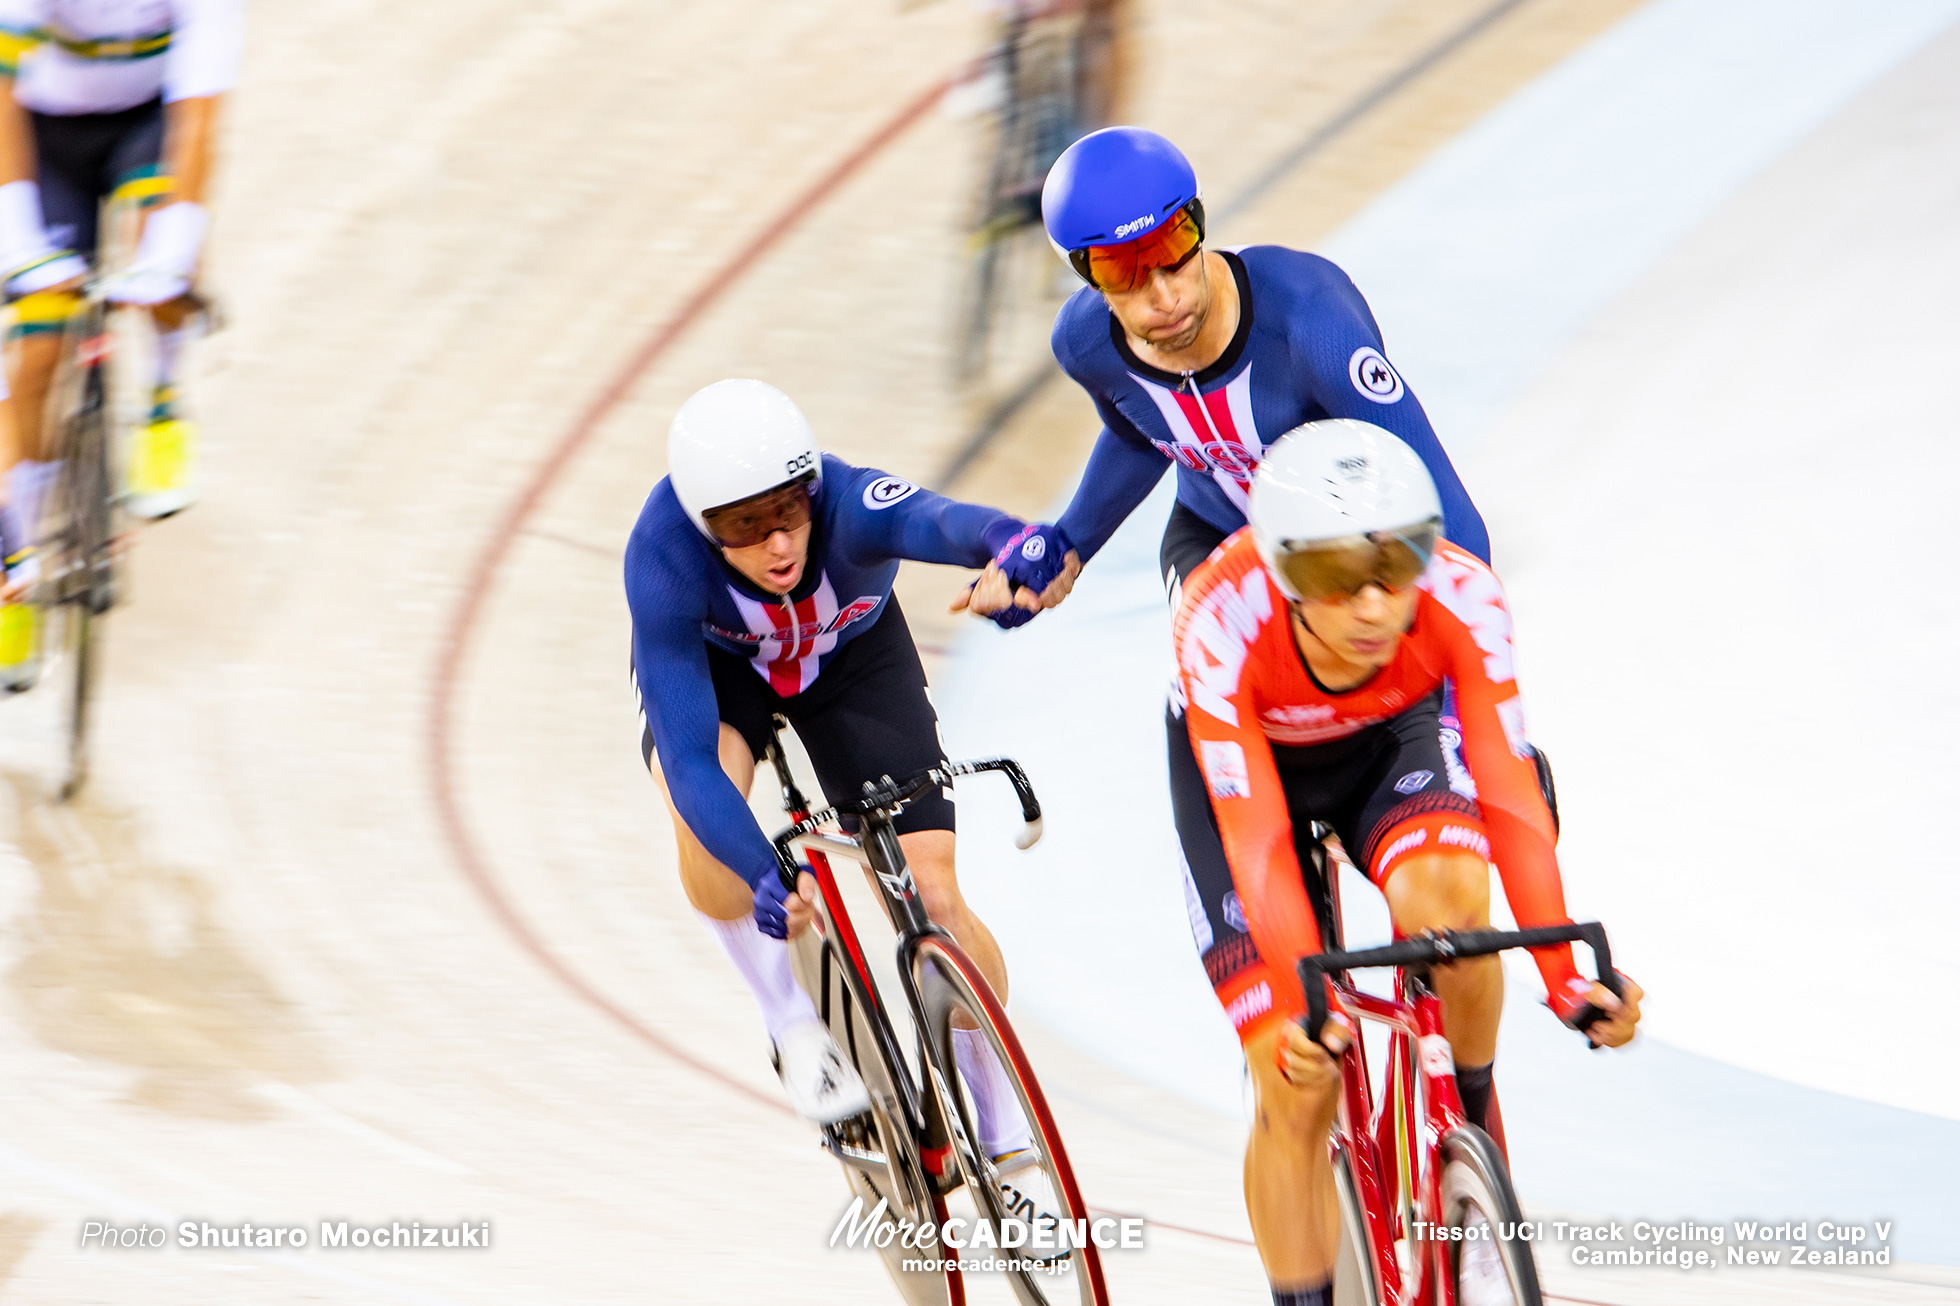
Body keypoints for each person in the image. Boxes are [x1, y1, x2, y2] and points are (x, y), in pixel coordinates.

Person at [1173, 419, 1642, 1306]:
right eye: (1332, 578)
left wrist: (1565, 980)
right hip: (1251, 781)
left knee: (1455, 907)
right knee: (1293, 1079)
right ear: (1281, 572)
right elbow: (1257, 840)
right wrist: (1300, 1010)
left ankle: (1468, 1165)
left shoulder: (1464, 593)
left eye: (1398, 567)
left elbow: (1506, 791)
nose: (1374, 607)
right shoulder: (1220, 616)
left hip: (1384, 750)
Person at [625, 379, 1052, 1199]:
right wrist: (763, 875)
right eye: (745, 528)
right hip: (724, 675)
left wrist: (1009, 541)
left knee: (934, 897)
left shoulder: (849, 504)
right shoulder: (662, 558)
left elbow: (935, 519)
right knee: (698, 820)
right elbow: (691, 763)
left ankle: (1001, 1135)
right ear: (702, 525)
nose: (779, 543)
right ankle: (790, 1022)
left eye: (789, 509)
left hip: (850, 661)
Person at [0, 0, 239, 652]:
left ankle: (162, 399)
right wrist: (20, 248)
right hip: (37, 135)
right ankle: (11, 553)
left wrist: (170, 256)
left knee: (166, 265)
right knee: (39, 348)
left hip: (146, 122)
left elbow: (199, 121)